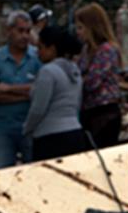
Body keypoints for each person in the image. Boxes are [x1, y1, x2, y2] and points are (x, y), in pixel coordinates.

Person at [0, 11, 41, 169]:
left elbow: (41, 90)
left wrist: (8, 89)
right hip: (4, 128)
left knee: (35, 173)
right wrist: (28, 94)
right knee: (0, 173)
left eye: (28, 31)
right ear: (9, 31)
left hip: (31, 126)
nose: (24, 36)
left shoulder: (37, 57)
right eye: (20, 30)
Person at [23, 26, 87, 162]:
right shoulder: (74, 70)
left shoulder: (48, 72)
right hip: (75, 132)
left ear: (51, 49)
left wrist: (27, 128)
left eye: (40, 48)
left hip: (51, 137)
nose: (37, 53)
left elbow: (38, 109)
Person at [75, 2, 122, 148]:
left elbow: (92, 82)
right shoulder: (86, 50)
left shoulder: (106, 50)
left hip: (104, 114)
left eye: (81, 28)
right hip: (88, 112)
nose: (78, 32)